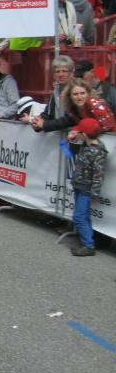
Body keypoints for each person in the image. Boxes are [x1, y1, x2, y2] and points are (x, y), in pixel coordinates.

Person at [68, 118, 108, 257]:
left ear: (84, 134)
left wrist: (94, 193)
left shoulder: (97, 151)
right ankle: (88, 241)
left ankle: (88, 245)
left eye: (79, 132)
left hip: (86, 189)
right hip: (79, 186)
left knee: (79, 217)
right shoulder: (87, 146)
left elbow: (98, 175)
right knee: (84, 216)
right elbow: (73, 148)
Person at [29, 55, 73, 132]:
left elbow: (70, 119)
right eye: (57, 72)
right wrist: (38, 122)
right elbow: (48, 114)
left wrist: (45, 125)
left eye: (64, 71)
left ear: (71, 73)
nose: (61, 75)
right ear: (54, 75)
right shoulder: (56, 92)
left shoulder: (76, 91)